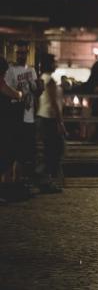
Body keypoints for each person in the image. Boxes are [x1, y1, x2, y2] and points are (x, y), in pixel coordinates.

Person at [4, 41, 43, 190]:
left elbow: (36, 92)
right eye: (18, 53)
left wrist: (39, 88)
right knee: (14, 150)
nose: (21, 55)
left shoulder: (32, 70)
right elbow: (7, 91)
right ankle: (10, 182)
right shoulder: (11, 71)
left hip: (29, 114)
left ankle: (18, 181)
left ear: (27, 53)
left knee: (25, 152)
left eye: (23, 53)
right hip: (16, 115)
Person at [36, 53, 66, 193]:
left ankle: (45, 179)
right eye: (54, 62)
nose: (56, 65)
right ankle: (45, 178)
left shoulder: (42, 78)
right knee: (56, 149)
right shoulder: (50, 81)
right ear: (49, 64)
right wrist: (60, 122)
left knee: (49, 150)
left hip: (43, 116)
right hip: (50, 119)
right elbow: (54, 103)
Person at [0, 56, 22, 178]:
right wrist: (20, 93)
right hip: (3, 123)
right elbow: (14, 94)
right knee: (7, 154)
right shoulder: (0, 82)